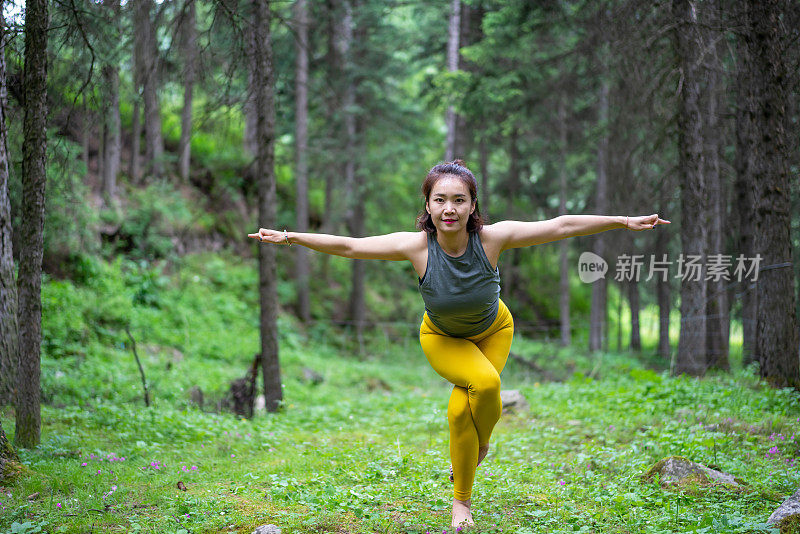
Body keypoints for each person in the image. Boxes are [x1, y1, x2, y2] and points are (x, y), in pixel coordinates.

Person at [248, 160, 670, 528]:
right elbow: (350, 246)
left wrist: (622, 221)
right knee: (482, 390)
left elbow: (560, 226)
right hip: (443, 338)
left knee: (462, 407)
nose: (449, 208)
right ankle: (476, 462)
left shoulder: (492, 239)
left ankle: (465, 485)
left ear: (472, 206)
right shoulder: (416, 247)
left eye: (459, 200)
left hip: (494, 330)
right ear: (428, 207)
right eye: (439, 200)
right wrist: (289, 237)